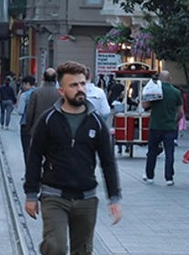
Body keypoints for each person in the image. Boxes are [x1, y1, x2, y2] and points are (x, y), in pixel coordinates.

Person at [24, 61, 122, 254]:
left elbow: (108, 162)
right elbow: (34, 157)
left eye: (82, 84)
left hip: (86, 198)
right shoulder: (48, 120)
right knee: (56, 246)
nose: (80, 89)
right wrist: (31, 194)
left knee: (83, 250)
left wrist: (114, 198)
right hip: (54, 196)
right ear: (61, 91)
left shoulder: (96, 122)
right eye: (73, 85)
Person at [141, 71, 184, 186]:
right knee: (169, 152)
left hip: (155, 125)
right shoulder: (176, 92)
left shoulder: (155, 90)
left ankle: (150, 175)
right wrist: (175, 121)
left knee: (152, 151)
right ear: (170, 78)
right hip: (169, 126)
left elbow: (145, 105)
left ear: (159, 79)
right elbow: (180, 112)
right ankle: (169, 178)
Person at [25, 68, 60, 135]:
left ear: (43, 78)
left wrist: (28, 129)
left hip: (37, 129)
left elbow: (30, 113)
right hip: (55, 130)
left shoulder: (36, 93)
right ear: (55, 78)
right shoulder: (60, 94)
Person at [16, 75, 36, 164]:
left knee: (27, 149)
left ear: (27, 84)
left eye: (24, 84)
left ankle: (28, 172)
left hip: (26, 124)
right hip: (37, 124)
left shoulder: (24, 95)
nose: (23, 87)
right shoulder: (38, 93)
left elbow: (20, 111)